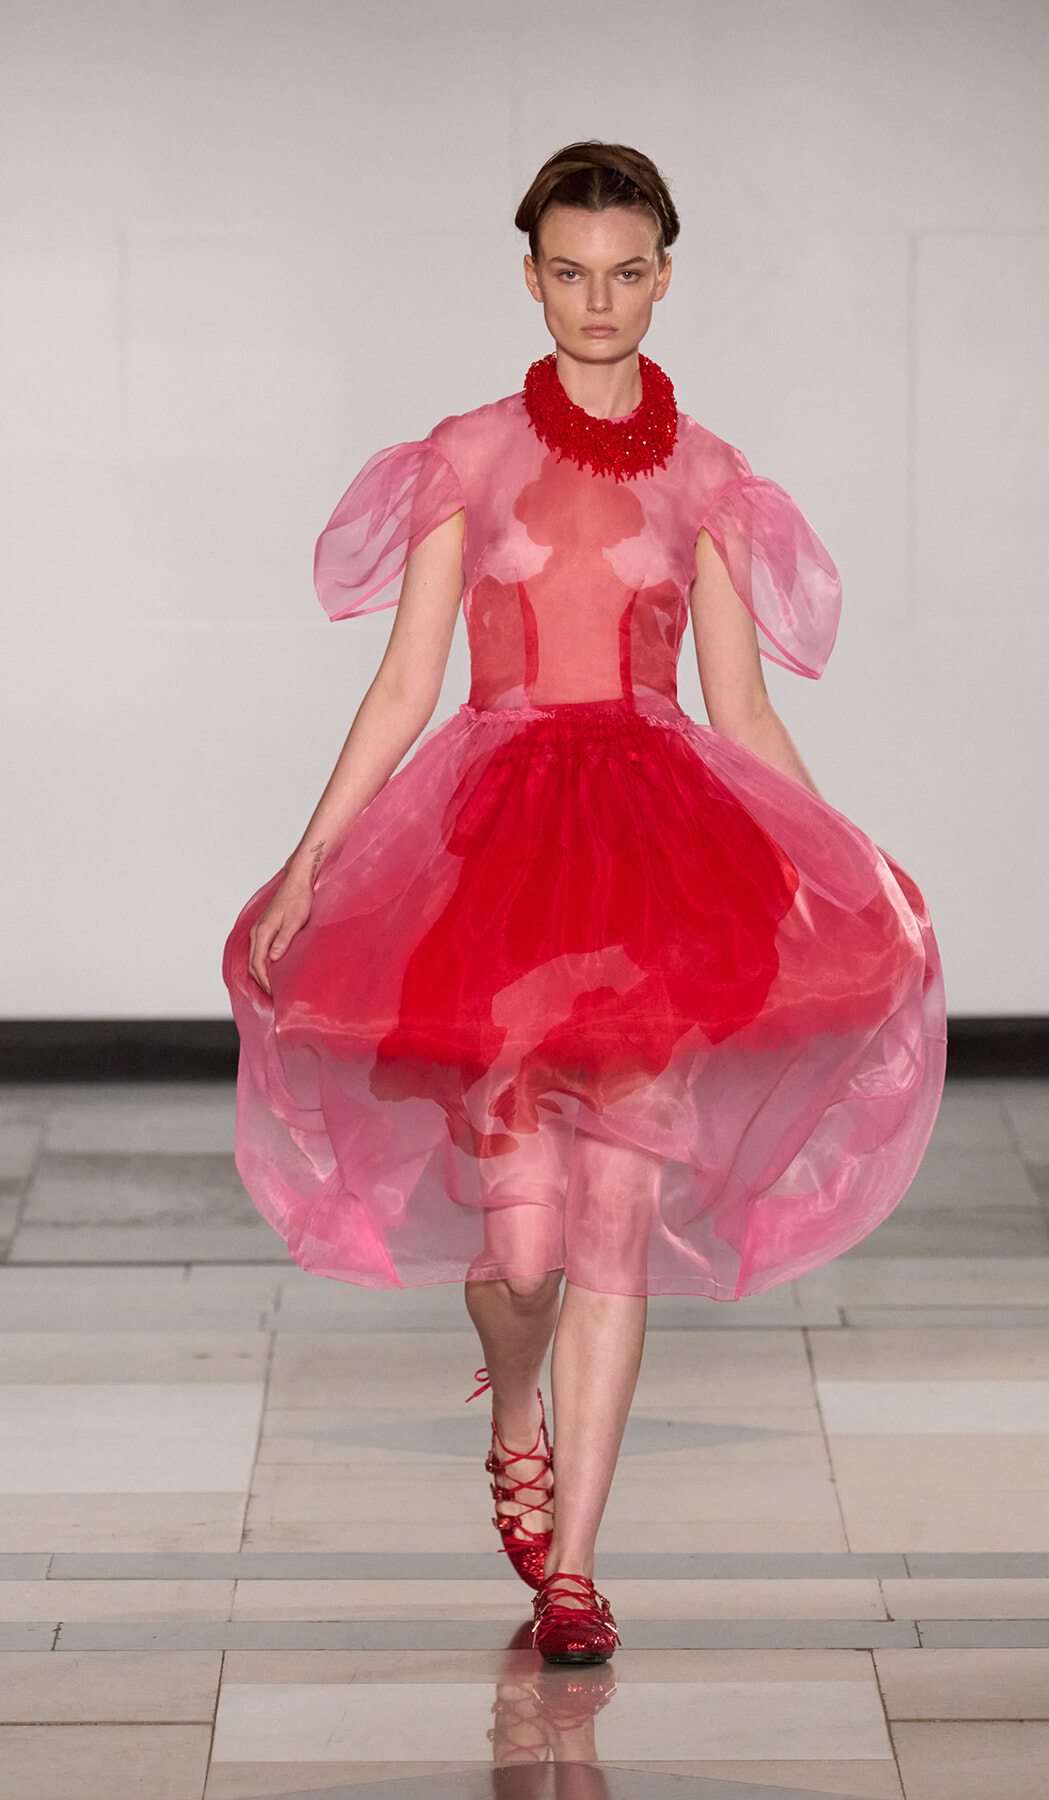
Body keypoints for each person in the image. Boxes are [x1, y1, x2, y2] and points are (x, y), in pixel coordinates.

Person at [223, 141, 945, 1666]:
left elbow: (739, 711)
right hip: (491, 862)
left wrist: (844, 861)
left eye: (628, 272)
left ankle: (580, 1569)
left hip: (657, 870)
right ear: (530, 272)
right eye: (571, 270)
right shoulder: (469, 458)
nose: (599, 299)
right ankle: (517, 1412)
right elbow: (409, 681)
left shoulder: (710, 480)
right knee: (525, 1248)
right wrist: (308, 860)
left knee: (613, 1217)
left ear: (666, 274)